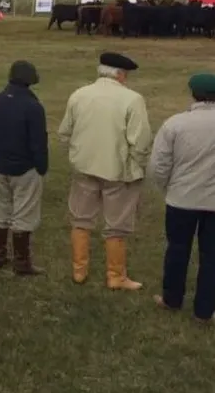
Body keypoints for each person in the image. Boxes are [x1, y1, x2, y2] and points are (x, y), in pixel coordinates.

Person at [149, 73, 215, 322]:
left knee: (177, 249)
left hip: (182, 198)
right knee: (213, 255)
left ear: (193, 94)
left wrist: (167, 188)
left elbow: (159, 164)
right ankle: (204, 311)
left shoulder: (175, 124)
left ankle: (172, 299)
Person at [58, 51, 152, 290]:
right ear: (120, 75)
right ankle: (115, 276)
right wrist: (135, 165)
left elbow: (65, 132)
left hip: (84, 167)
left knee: (81, 219)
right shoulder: (132, 99)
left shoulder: (79, 94)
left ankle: (79, 271)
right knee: (116, 224)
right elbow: (141, 142)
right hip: (118, 171)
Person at [0, 60, 48, 275]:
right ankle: (21, 262)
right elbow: (38, 142)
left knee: (0, 208)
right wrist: (41, 166)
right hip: (25, 168)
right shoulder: (33, 107)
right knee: (24, 213)